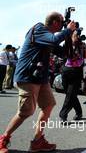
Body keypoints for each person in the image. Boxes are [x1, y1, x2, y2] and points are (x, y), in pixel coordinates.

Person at [0, 12, 76, 153]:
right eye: (62, 22)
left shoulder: (48, 38)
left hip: (40, 78)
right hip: (27, 76)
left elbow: (65, 53)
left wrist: (71, 37)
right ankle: (3, 139)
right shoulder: (39, 29)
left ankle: (37, 141)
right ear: (54, 22)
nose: (63, 24)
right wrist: (68, 30)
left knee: (48, 105)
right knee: (26, 111)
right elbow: (54, 40)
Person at [59, 29, 86, 122]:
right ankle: (79, 112)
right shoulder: (67, 44)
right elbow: (63, 55)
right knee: (70, 94)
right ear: (71, 35)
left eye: (79, 35)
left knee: (70, 94)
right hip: (66, 71)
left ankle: (63, 115)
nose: (78, 36)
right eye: (76, 34)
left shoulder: (82, 46)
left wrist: (84, 48)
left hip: (77, 72)